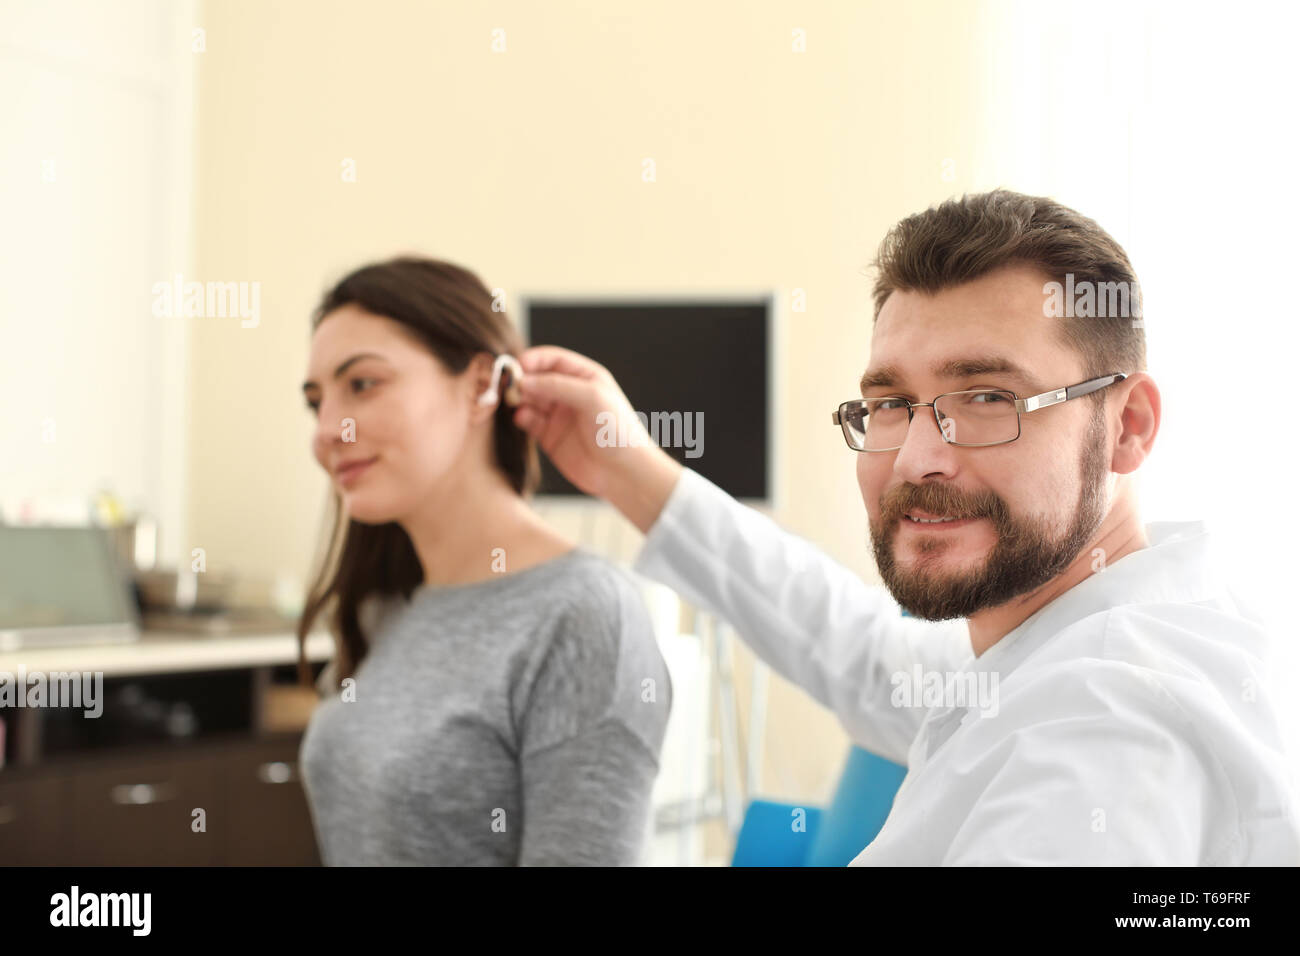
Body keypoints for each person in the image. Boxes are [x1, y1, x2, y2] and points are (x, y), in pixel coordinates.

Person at [509, 189, 1300, 865]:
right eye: (891, 405)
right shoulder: (1064, 640)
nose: (917, 458)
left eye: (988, 397)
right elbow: (860, 653)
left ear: (1129, 425)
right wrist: (625, 466)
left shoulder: (1108, 726)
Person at [294, 256, 672, 865]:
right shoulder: (381, 605)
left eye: (361, 384)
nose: (327, 430)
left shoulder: (583, 614)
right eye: (316, 402)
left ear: (479, 385)